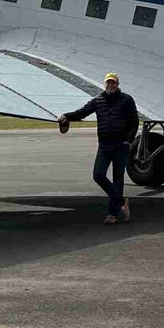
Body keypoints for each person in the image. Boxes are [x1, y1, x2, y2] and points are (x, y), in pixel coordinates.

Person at [59, 72, 139, 223]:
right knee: (98, 175)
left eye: (113, 83)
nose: (110, 85)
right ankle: (122, 202)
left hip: (121, 145)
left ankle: (113, 214)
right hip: (104, 145)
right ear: (105, 84)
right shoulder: (98, 100)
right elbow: (81, 113)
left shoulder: (127, 100)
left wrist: (129, 141)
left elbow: (134, 122)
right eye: (108, 83)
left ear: (117, 84)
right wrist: (66, 116)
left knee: (118, 179)